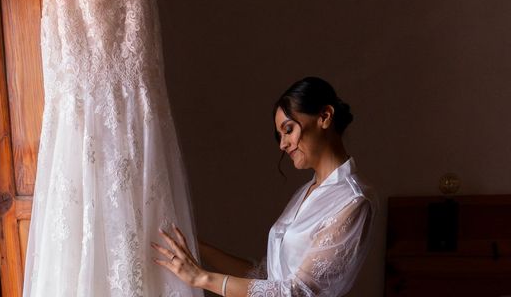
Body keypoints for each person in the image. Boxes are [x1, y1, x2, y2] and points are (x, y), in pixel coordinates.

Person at [152, 76, 377, 296]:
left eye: (288, 130)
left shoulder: (354, 200)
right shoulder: (307, 192)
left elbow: (296, 292)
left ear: (325, 117)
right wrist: (197, 246)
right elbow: (266, 278)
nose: (283, 144)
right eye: (279, 135)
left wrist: (202, 278)